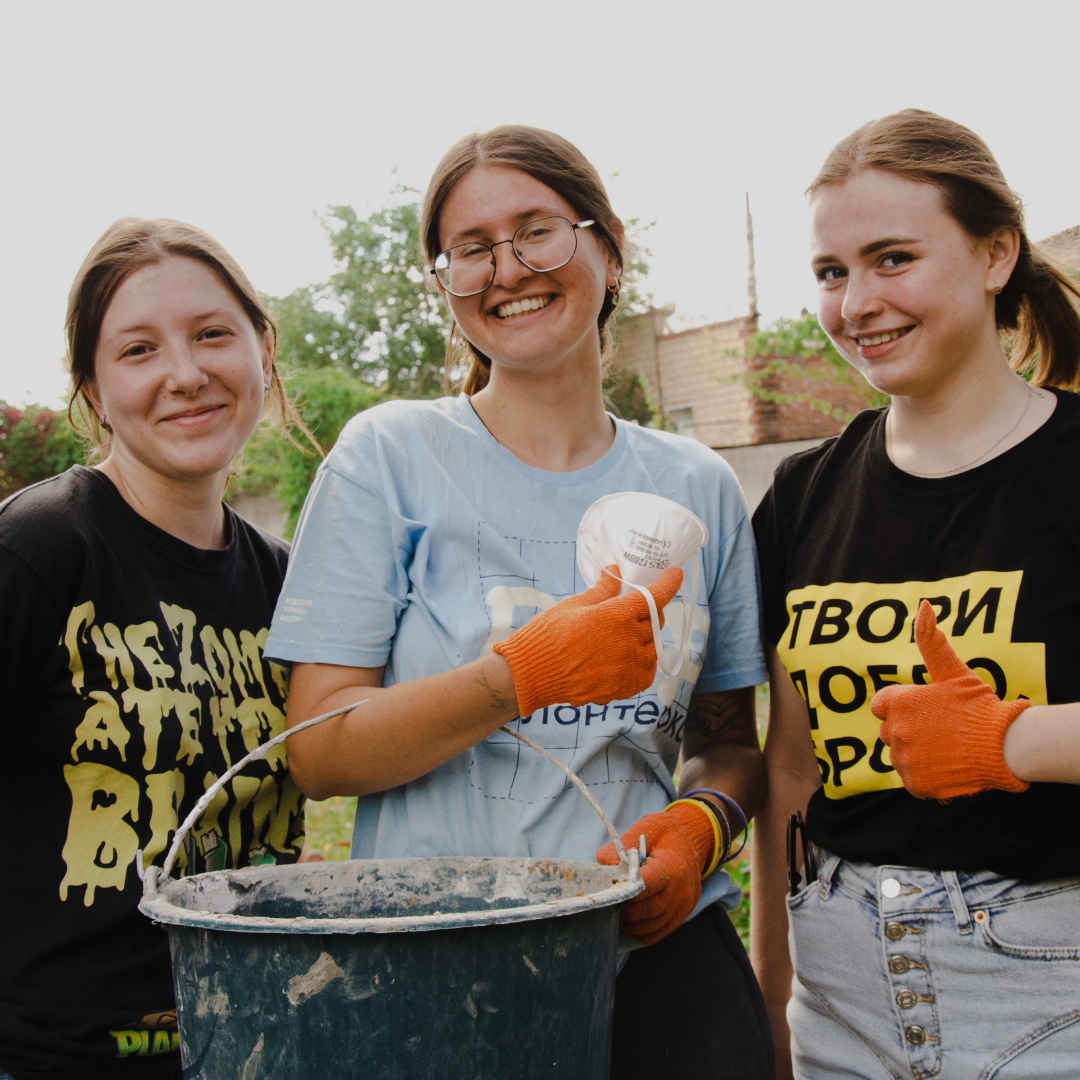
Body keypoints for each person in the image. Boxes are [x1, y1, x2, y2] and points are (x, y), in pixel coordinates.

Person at [265, 125, 774, 1077]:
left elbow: (729, 742)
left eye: (537, 231)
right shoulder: (389, 458)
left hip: (665, 972)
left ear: (607, 250)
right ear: (446, 285)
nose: (508, 268)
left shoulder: (700, 487)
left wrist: (703, 829)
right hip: (440, 969)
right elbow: (317, 753)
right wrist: (517, 677)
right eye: (472, 248)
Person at [750, 108, 1080, 1080]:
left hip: (1048, 985)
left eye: (892, 259)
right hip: (840, 999)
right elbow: (790, 777)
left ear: (995, 255)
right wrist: (773, 1004)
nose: (858, 302)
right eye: (831, 272)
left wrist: (1006, 740)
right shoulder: (804, 493)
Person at [0, 220, 310, 1080]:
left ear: (262, 351)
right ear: (94, 392)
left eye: (213, 334)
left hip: (247, 1045)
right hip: (52, 1057)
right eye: (138, 349)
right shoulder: (40, 549)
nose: (185, 374)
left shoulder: (286, 582)